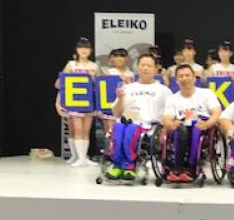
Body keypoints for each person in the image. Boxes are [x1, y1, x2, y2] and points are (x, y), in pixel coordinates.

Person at [105, 54, 172, 180]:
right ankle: (117, 165)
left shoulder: (164, 90)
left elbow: (169, 112)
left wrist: (165, 128)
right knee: (118, 128)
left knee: (131, 129)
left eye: (149, 66)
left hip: (149, 122)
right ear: (137, 67)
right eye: (142, 65)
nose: (145, 68)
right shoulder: (128, 88)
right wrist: (119, 99)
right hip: (130, 117)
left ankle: (129, 165)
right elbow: (117, 113)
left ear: (156, 68)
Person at [161, 64, 222, 183]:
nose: (185, 78)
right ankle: (177, 167)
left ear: (194, 78)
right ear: (177, 80)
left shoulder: (206, 93)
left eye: (188, 75)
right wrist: (171, 124)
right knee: (180, 130)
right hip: (181, 126)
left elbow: (216, 112)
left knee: (196, 129)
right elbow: (167, 118)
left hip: (201, 125)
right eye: (181, 76)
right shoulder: (172, 98)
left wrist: (208, 124)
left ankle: (191, 167)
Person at [54, 37, 100, 167]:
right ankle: (77, 157)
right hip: (74, 102)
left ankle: (83, 157)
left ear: (90, 50)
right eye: (81, 47)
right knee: (76, 129)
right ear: (76, 50)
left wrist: (93, 80)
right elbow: (60, 84)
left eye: (86, 47)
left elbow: (101, 85)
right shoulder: (71, 65)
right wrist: (59, 101)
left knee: (85, 130)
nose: (84, 50)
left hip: (88, 102)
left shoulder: (94, 66)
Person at [99, 48, 136, 135]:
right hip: (110, 106)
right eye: (116, 56)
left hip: (128, 108)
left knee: (128, 132)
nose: (119, 59)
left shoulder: (132, 74)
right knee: (110, 133)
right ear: (112, 58)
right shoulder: (107, 73)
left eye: (122, 56)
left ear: (126, 58)